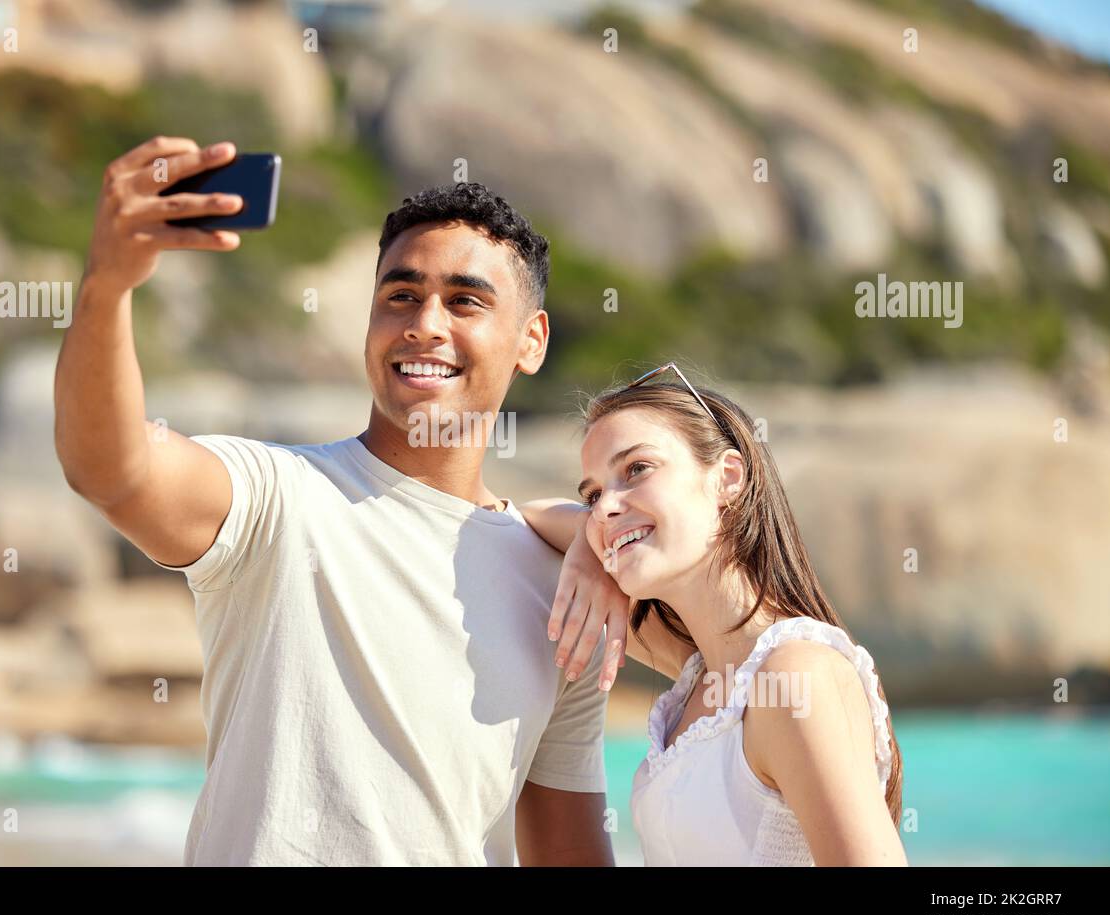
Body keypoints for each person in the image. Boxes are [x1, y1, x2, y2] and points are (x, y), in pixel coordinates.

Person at [54, 136, 613, 865]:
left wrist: (597, 542)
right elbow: (111, 468)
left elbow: (570, 855)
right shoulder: (274, 496)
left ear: (530, 340)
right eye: (401, 295)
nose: (425, 324)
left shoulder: (567, 589)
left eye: (465, 301)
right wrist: (107, 284)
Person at [521, 363, 908, 865]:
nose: (605, 508)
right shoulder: (703, 667)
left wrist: (594, 540)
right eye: (593, 494)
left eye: (636, 469)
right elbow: (522, 516)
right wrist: (586, 543)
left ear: (727, 478)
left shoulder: (794, 675)